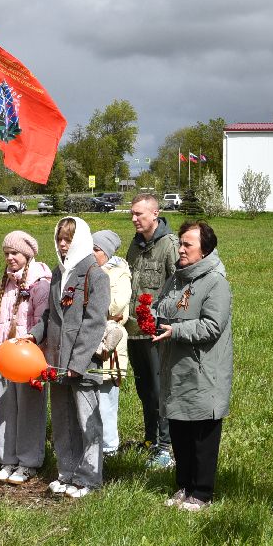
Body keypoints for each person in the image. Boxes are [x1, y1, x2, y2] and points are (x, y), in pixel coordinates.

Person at [151, 221, 233, 511]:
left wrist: (176, 330)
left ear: (205, 249)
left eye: (188, 244)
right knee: (180, 431)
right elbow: (162, 307)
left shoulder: (215, 282)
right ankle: (183, 485)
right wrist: (150, 316)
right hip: (175, 369)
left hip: (203, 372)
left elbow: (212, 325)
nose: (180, 249)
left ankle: (202, 492)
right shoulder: (176, 278)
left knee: (202, 434)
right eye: (180, 243)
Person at [33, 216, 110, 498]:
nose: (63, 245)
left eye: (68, 239)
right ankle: (67, 472)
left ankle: (89, 477)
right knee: (63, 420)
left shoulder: (95, 275)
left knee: (87, 421)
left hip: (82, 364)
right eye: (59, 239)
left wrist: (78, 363)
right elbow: (49, 314)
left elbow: (94, 322)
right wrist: (34, 334)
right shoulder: (58, 272)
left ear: (80, 241)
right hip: (56, 361)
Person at [0, 230, 53, 483]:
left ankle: (28, 461)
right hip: (5, 354)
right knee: (5, 407)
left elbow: (42, 321)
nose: (10, 258)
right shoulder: (6, 282)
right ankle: (7, 458)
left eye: (14, 253)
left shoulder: (40, 284)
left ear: (26, 255)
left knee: (28, 408)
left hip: (27, 357)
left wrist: (29, 343)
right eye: (6, 253)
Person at [126, 194, 179, 469]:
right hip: (134, 330)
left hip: (156, 332)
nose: (134, 219)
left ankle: (167, 446)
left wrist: (168, 323)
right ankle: (150, 439)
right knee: (144, 388)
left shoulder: (169, 245)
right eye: (132, 214)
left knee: (161, 391)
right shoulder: (134, 246)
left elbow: (179, 286)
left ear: (155, 214)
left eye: (140, 214)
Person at [90, 228, 131, 457]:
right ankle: (90, 443)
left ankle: (108, 446)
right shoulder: (87, 270)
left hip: (109, 338)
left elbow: (116, 306)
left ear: (106, 252)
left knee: (106, 397)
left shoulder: (118, 273)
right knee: (88, 395)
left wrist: (91, 304)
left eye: (96, 250)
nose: (92, 253)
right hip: (87, 338)